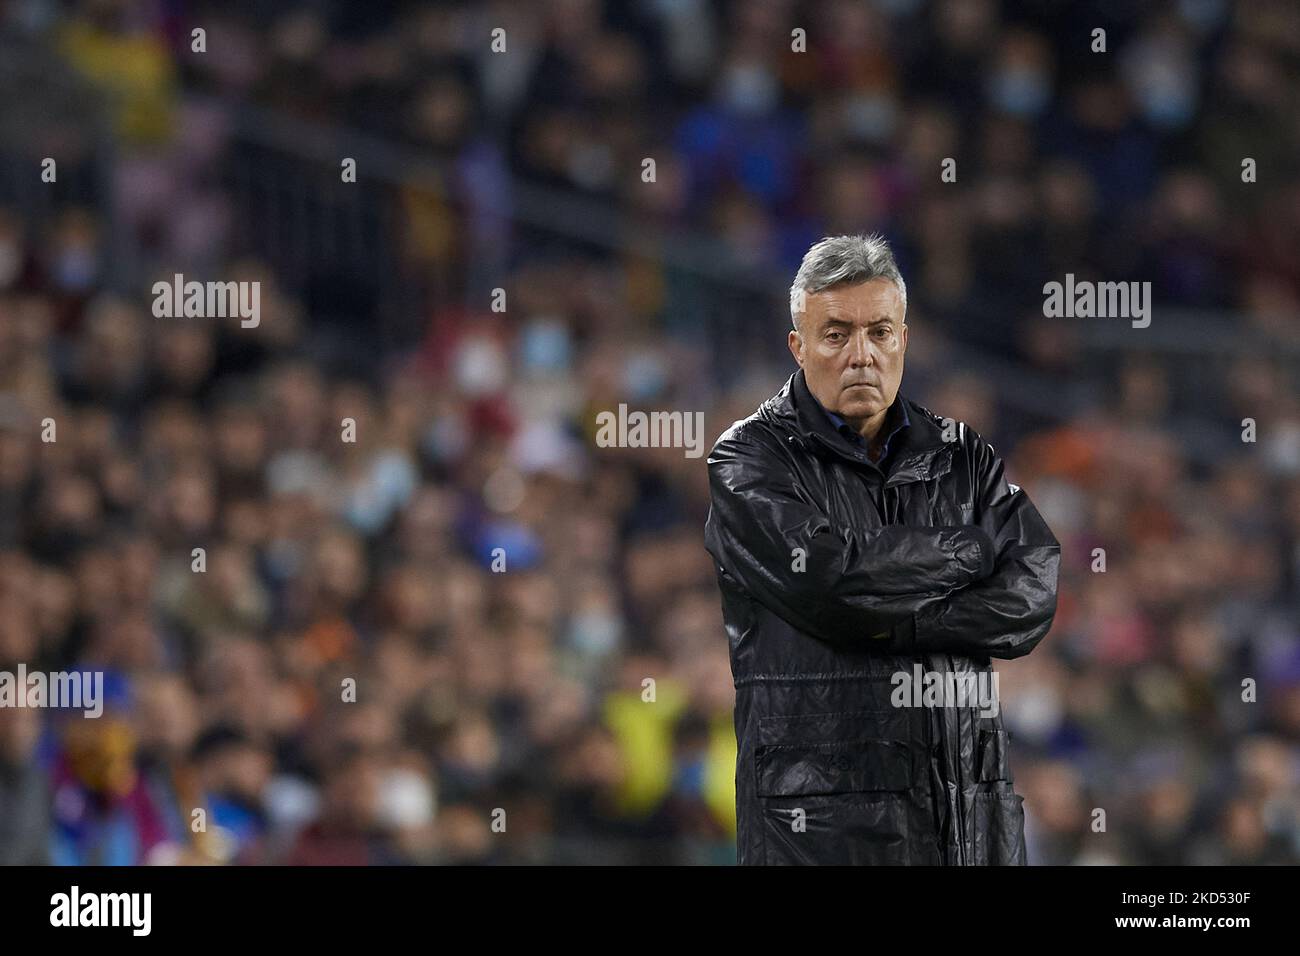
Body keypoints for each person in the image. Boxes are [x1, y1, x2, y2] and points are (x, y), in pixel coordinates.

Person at [703, 234, 1060, 865]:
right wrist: (971, 553)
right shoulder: (749, 458)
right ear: (799, 345)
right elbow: (833, 582)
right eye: (836, 334)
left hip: (970, 821)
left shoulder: (963, 454)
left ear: (904, 339)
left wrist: (896, 619)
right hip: (825, 834)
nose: (861, 355)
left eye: (880, 332)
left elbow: (1033, 590)